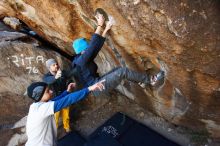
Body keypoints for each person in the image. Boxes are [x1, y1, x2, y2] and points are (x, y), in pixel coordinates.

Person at [72, 13, 164, 97]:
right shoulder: (81, 61)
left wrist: (106, 29)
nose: (88, 49)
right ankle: (151, 80)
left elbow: (96, 47)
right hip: (97, 88)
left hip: (97, 83)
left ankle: (139, 80)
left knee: (118, 70)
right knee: (122, 72)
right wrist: (100, 24)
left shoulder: (82, 58)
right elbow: (93, 45)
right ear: (82, 50)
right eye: (86, 48)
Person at [25, 80, 105, 146]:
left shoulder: (36, 105)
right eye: (47, 91)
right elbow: (68, 99)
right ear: (39, 96)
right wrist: (89, 88)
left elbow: (55, 100)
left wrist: (67, 91)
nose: (51, 91)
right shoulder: (42, 109)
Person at [43, 59, 72, 133]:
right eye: (53, 65)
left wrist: (71, 83)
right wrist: (55, 77)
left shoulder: (62, 73)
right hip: (55, 100)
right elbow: (47, 80)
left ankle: (67, 127)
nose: (56, 66)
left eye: (56, 64)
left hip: (65, 96)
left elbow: (69, 78)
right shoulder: (46, 77)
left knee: (66, 114)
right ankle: (54, 131)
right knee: (55, 117)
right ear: (49, 67)